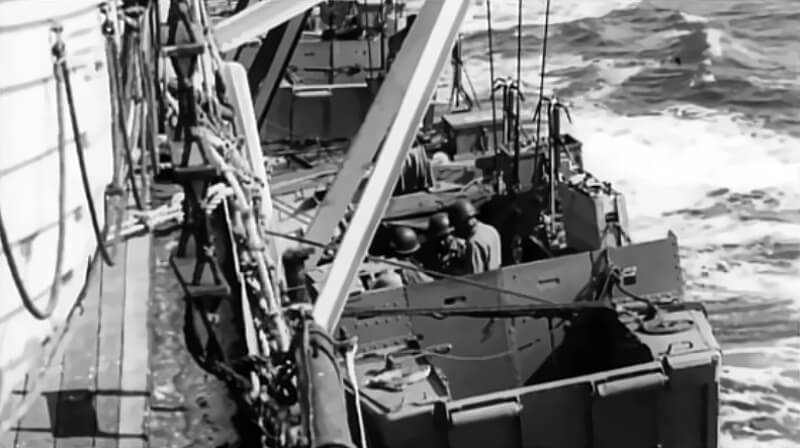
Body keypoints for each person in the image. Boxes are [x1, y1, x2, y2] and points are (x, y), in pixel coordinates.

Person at [449, 199, 501, 273]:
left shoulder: (473, 242)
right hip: (496, 278)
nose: (456, 231)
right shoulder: (491, 230)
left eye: (456, 225)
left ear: (463, 222)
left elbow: (475, 276)